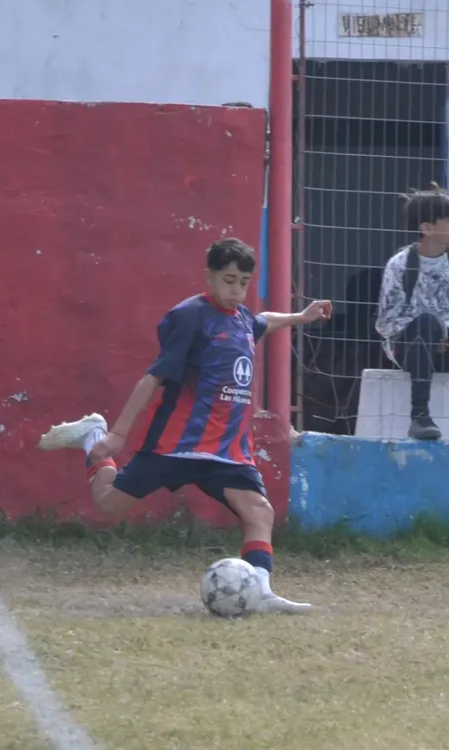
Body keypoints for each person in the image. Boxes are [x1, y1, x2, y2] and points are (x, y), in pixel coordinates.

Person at [38, 237, 332, 614]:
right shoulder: (190, 316)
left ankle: (261, 591)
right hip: (177, 444)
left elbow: (263, 321)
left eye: (243, 282)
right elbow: (154, 378)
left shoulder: (242, 319)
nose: (236, 290)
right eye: (228, 280)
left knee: (260, 512)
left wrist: (300, 317)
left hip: (227, 451)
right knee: (108, 505)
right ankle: (92, 433)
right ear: (208, 276)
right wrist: (117, 435)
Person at [374, 184, 449, 441]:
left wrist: (446, 334)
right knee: (426, 323)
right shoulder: (400, 264)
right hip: (412, 351)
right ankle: (420, 417)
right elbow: (386, 321)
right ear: (426, 228)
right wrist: (432, 330)